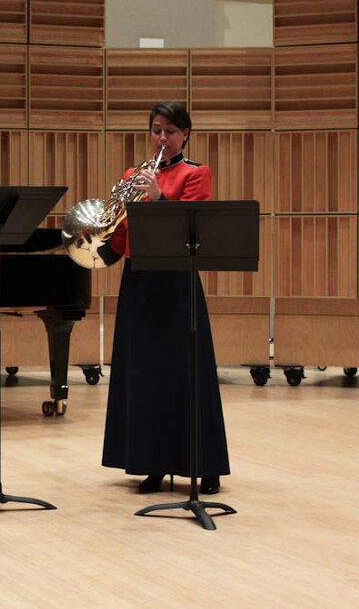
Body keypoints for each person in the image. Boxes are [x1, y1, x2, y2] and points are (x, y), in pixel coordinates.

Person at [100, 101, 230, 495]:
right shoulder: (132, 175)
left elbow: (189, 229)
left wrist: (157, 198)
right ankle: (152, 463)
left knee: (189, 373)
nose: (162, 138)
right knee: (145, 374)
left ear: (185, 134)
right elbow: (122, 237)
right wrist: (104, 233)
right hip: (139, 281)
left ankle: (205, 466)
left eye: (170, 131)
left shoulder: (196, 174)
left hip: (177, 283)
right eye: (156, 130)